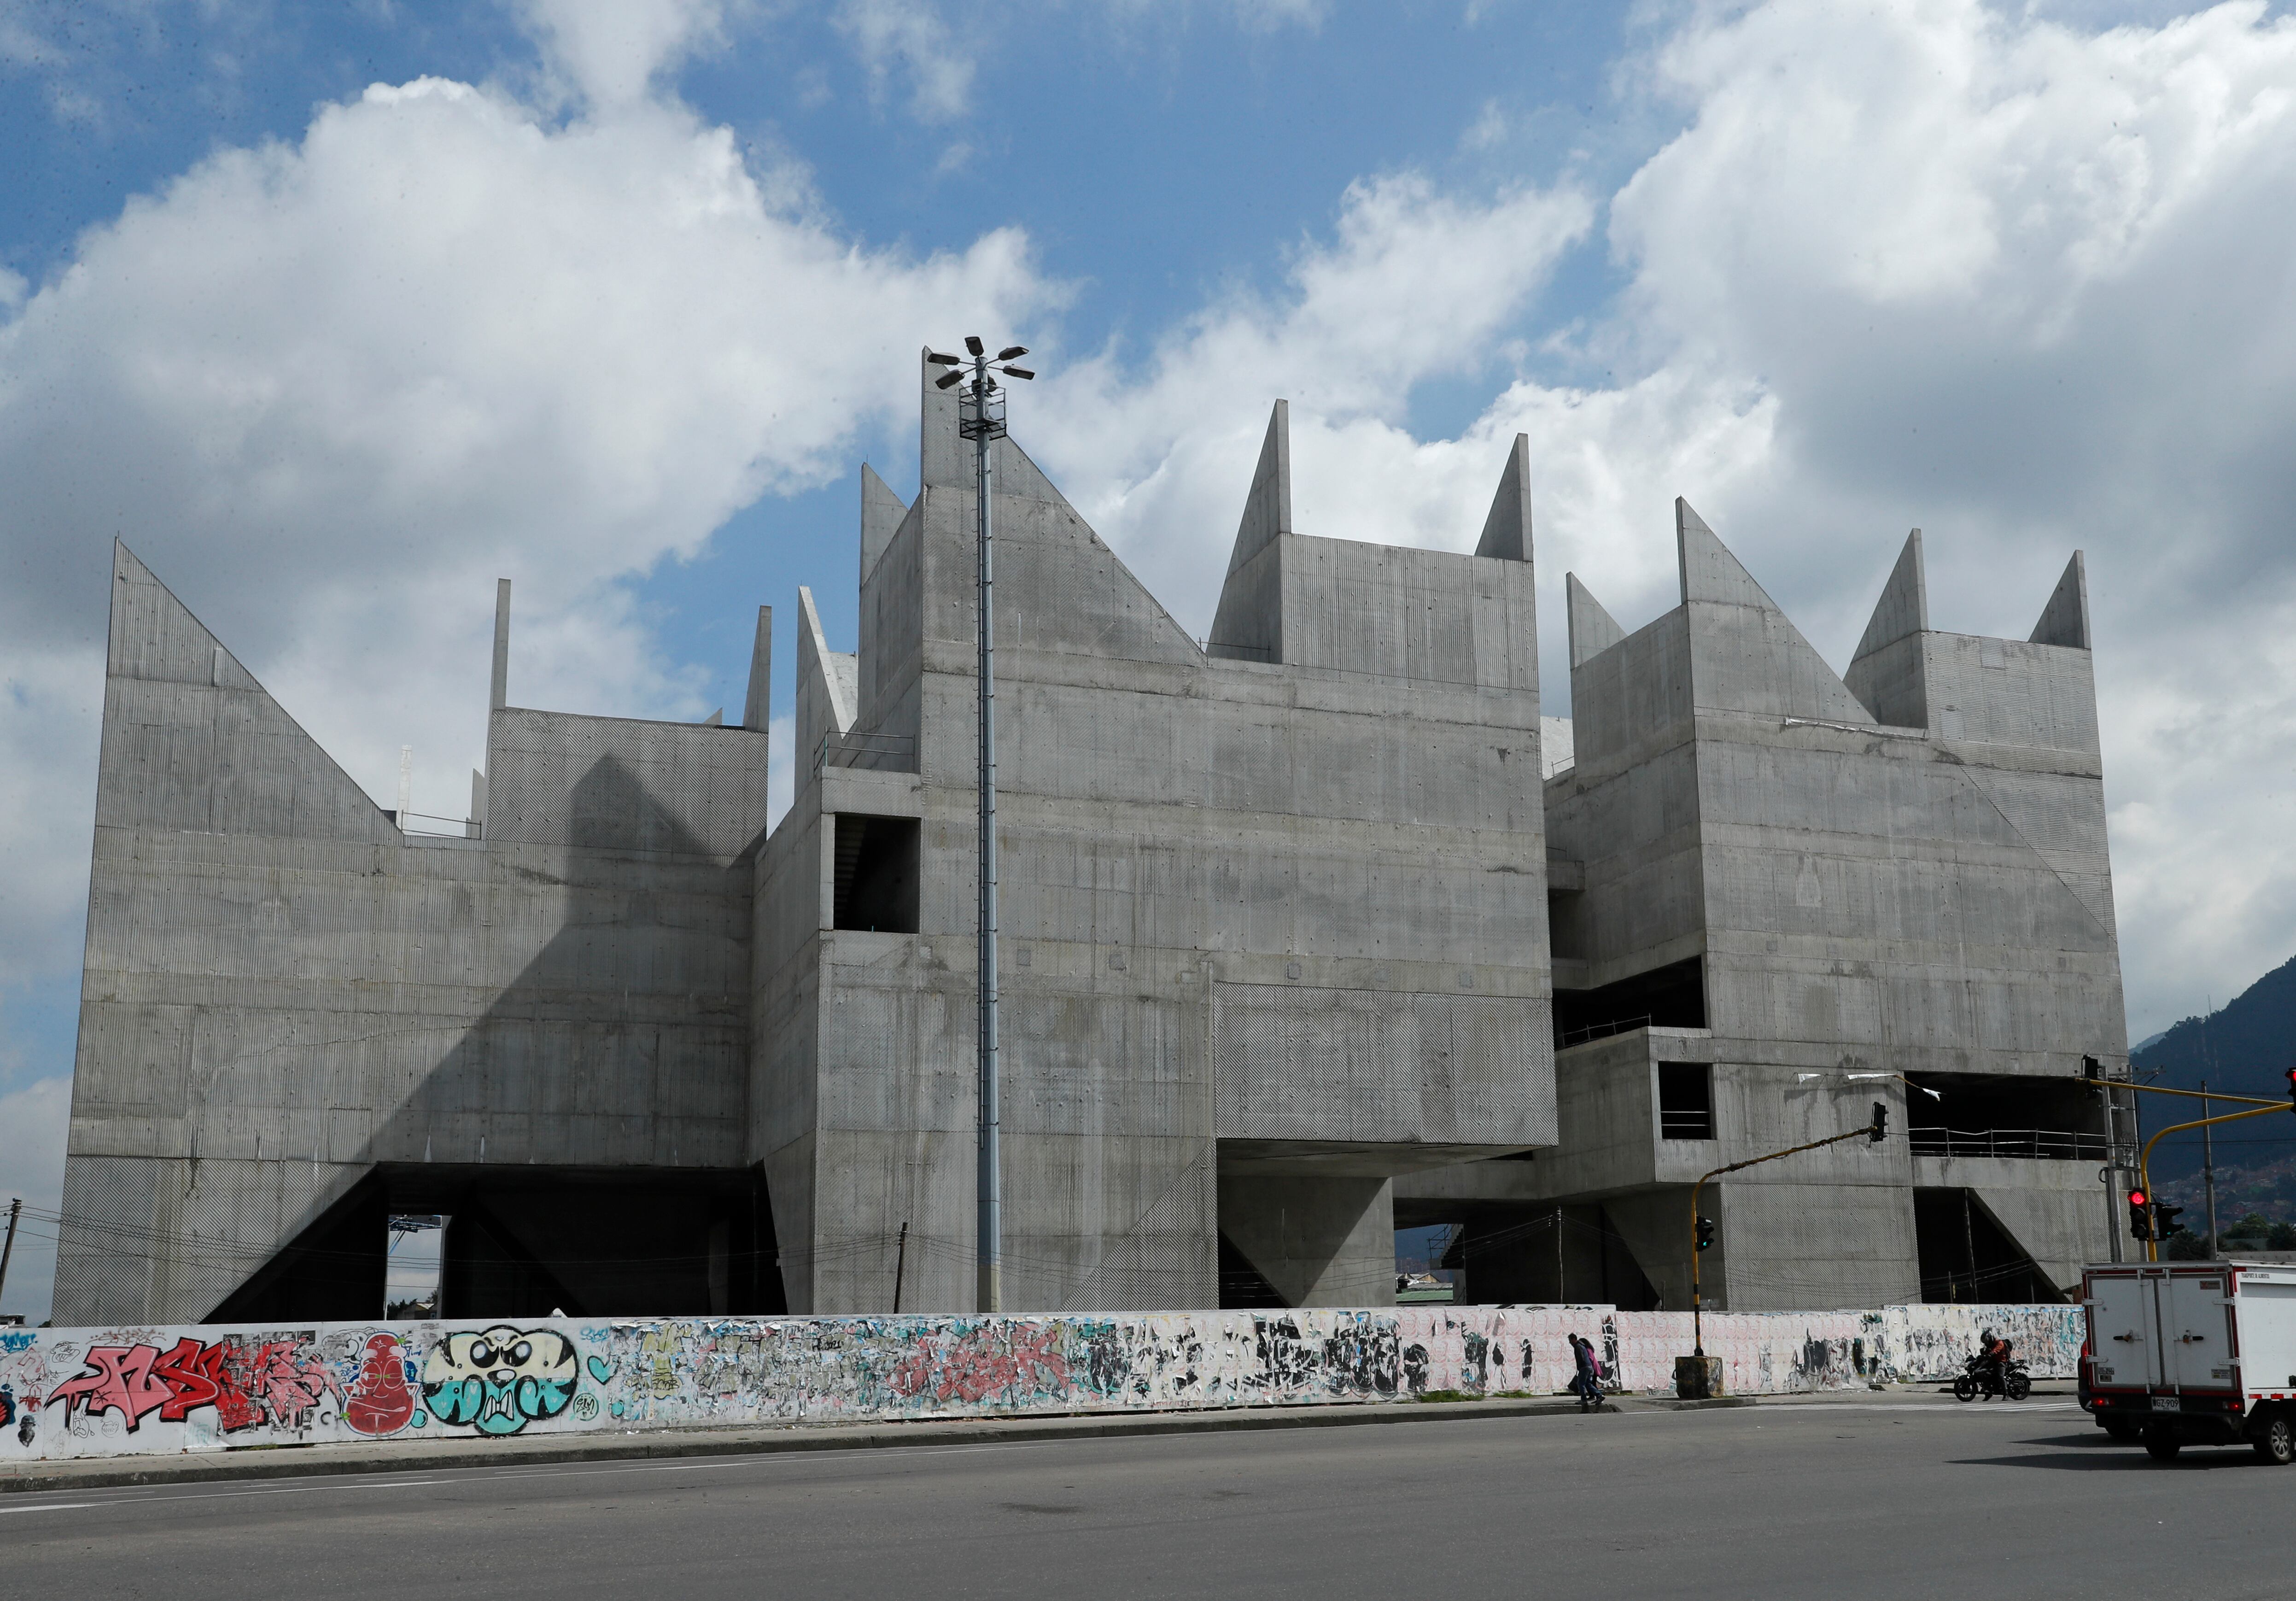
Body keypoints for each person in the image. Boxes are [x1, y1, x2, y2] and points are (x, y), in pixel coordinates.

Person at [1570, 1332, 1603, 1412]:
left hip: (1584, 1367)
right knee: (1588, 1384)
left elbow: (1581, 1358)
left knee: (1581, 1384)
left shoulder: (1578, 1347)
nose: (1570, 1343)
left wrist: (1580, 1368)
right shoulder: (1583, 1346)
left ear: (1574, 1339)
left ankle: (1584, 1400)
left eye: (1570, 1341)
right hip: (1589, 1367)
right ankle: (1599, 1395)